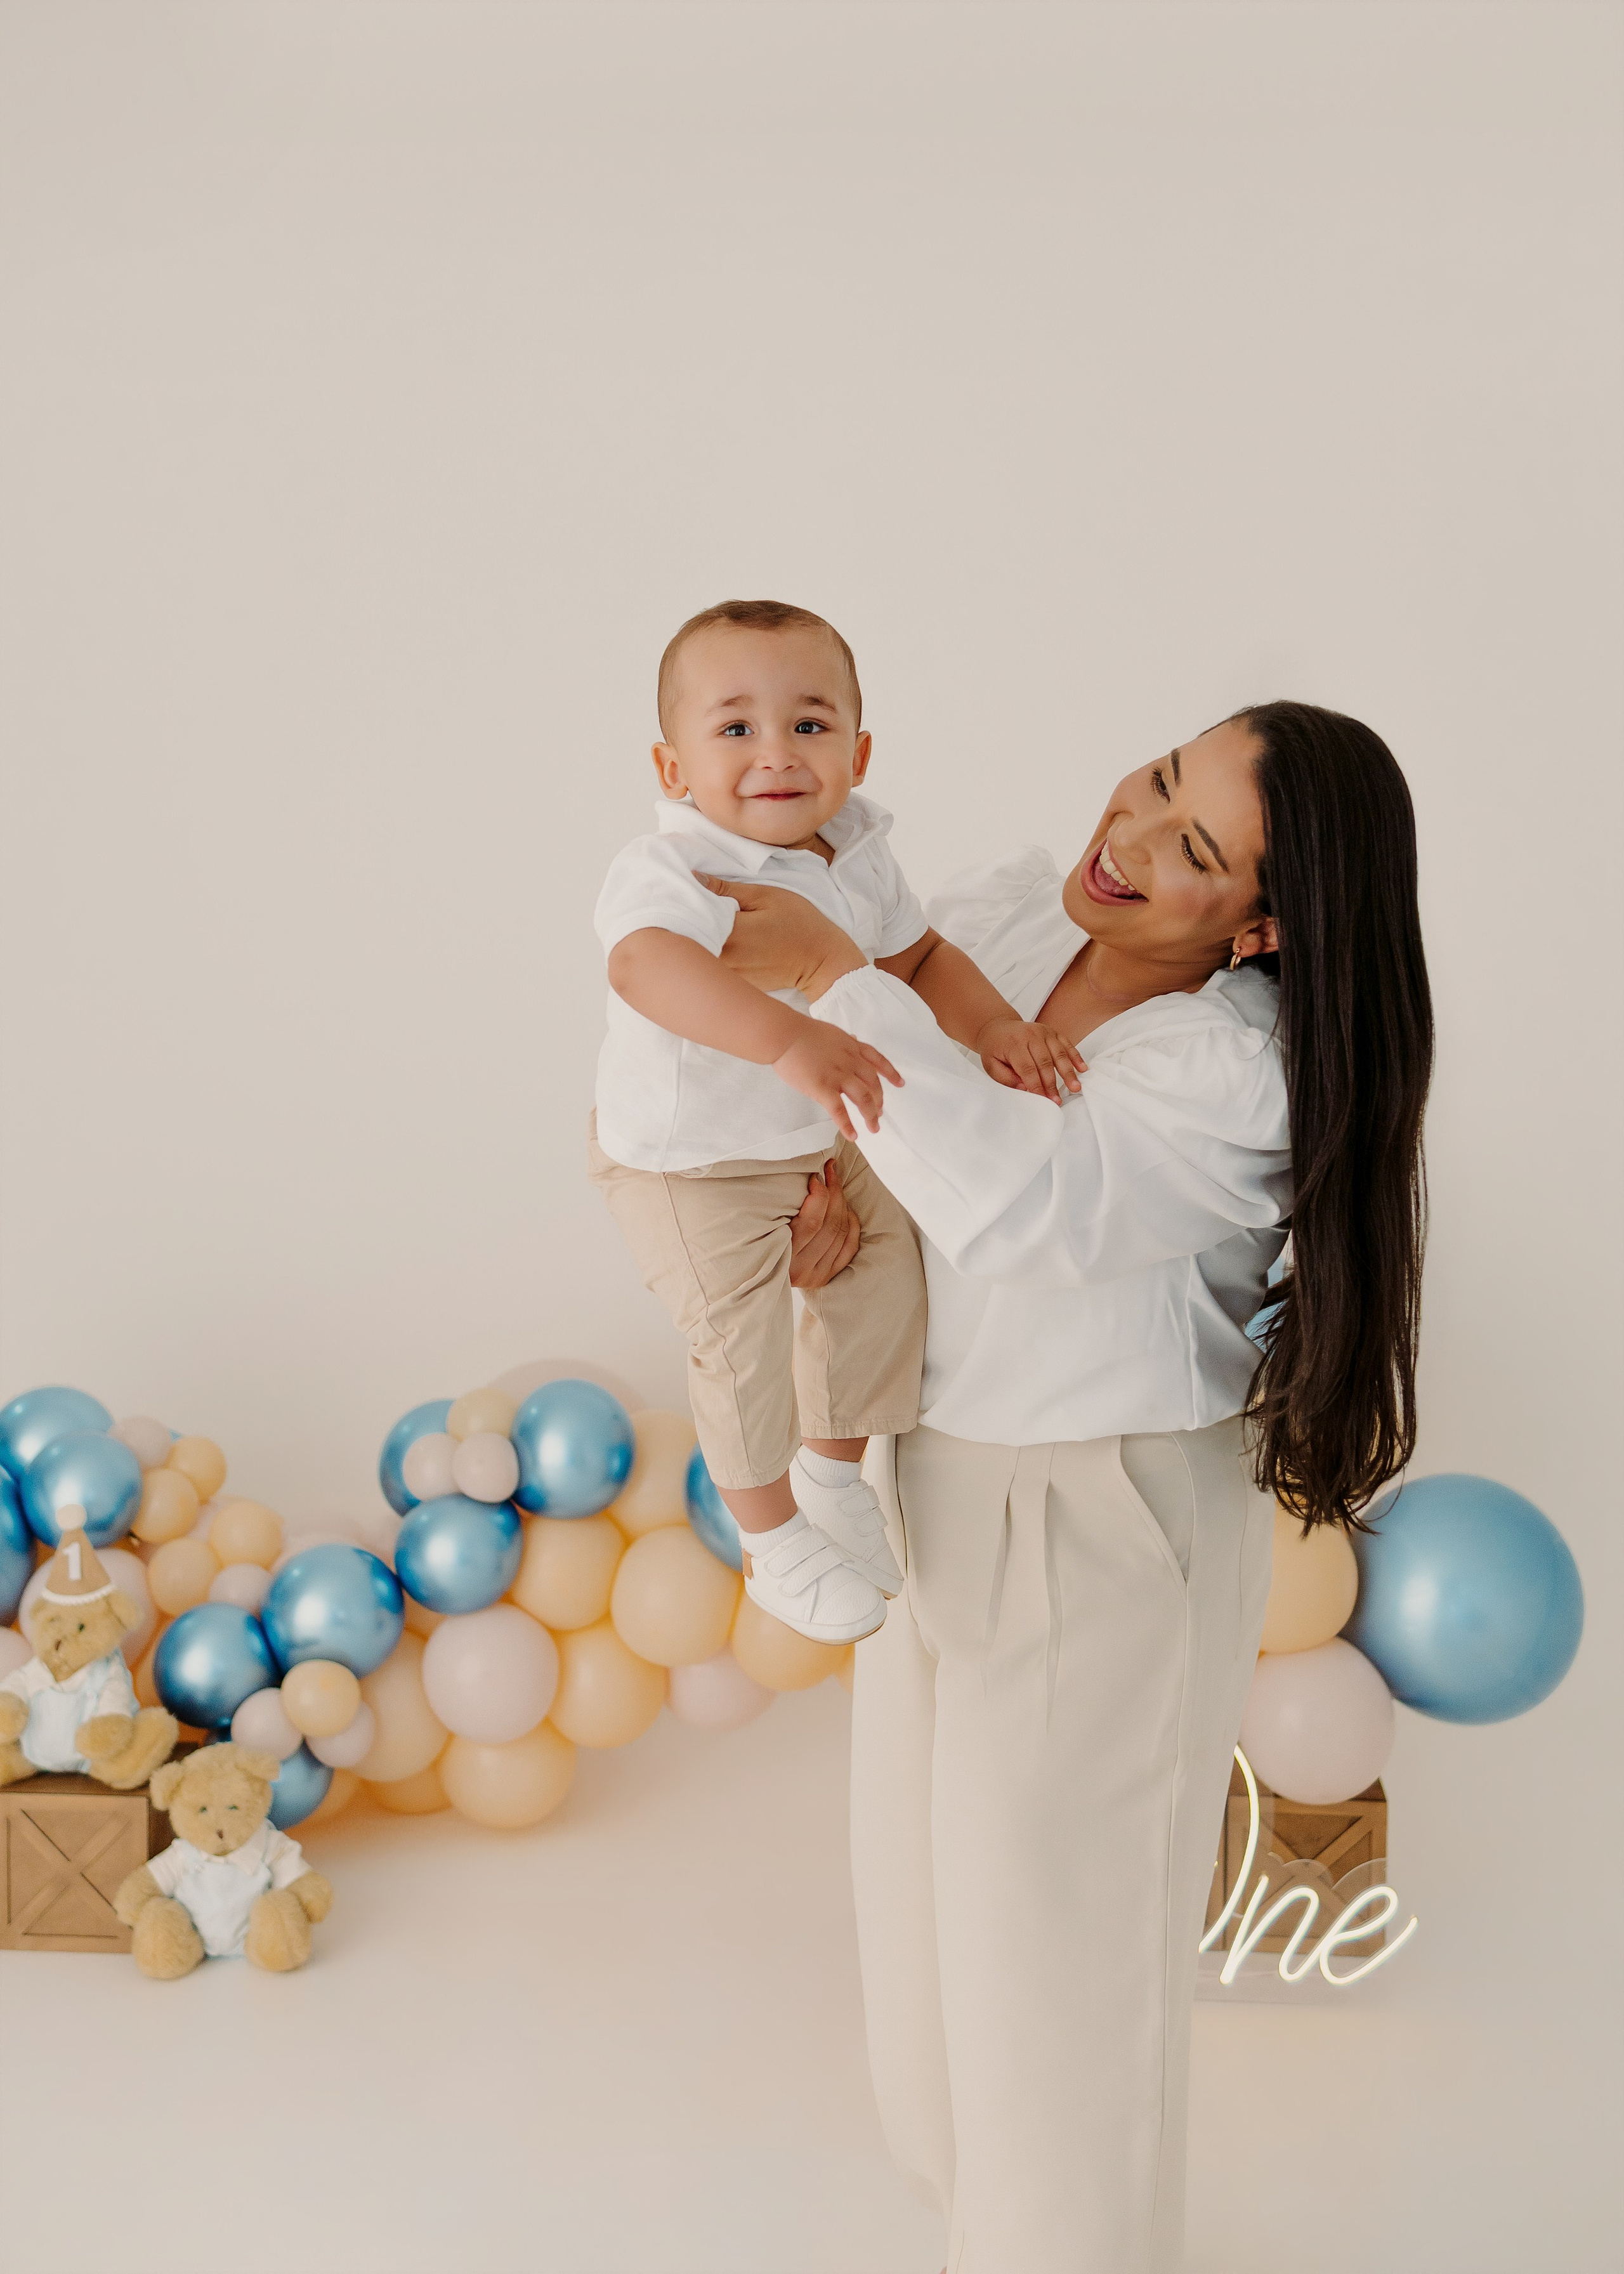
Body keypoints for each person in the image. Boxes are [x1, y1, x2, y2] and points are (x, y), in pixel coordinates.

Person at [708, 700, 1433, 2274]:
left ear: (1259, 924)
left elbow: (1018, 1203)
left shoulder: (1231, 1066)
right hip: (920, 1472)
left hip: (1096, 1517)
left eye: (1191, 848)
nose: (1129, 837)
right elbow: (863, 1138)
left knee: (1053, 1999)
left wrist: (829, 975)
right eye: (1158, 777)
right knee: (927, 1997)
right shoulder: (986, 924)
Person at [588, 598, 1079, 1646]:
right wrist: (784, 1040)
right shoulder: (674, 868)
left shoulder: (858, 855)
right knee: (740, 1339)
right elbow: (645, 967)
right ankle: (770, 1540)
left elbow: (919, 959)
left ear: (856, 750)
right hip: (691, 1163)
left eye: (809, 726)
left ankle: (831, 1469)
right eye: (734, 729)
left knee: (887, 1270)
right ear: (673, 769)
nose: (776, 753)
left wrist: (993, 1024)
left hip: (819, 1135)